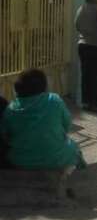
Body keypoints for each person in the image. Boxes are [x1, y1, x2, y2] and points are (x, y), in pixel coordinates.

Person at [0, 69, 85, 197]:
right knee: (74, 149)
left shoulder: (10, 109)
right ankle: (62, 179)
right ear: (44, 86)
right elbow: (67, 125)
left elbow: (5, 135)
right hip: (55, 159)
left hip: (19, 161)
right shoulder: (54, 100)